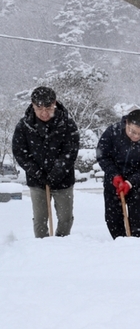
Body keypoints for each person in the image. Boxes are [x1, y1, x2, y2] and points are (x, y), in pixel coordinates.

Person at [12, 86, 80, 238]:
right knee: (40, 218)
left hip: (63, 180)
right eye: (39, 108)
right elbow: (20, 152)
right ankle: (42, 249)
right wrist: (36, 172)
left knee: (65, 218)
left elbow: (70, 151)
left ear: (54, 103)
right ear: (32, 105)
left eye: (48, 108)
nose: (44, 113)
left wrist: (58, 171)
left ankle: (62, 244)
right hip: (37, 181)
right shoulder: (23, 126)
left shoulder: (67, 124)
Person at [96, 109, 140, 239]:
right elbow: (102, 155)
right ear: (126, 124)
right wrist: (114, 174)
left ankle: (137, 246)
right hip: (113, 181)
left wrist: (131, 181)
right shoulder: (112, 132)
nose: (136, 136)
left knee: (137, 219)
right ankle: (120, 243)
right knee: (112, 218)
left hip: (137, 184)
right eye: (133, 131)